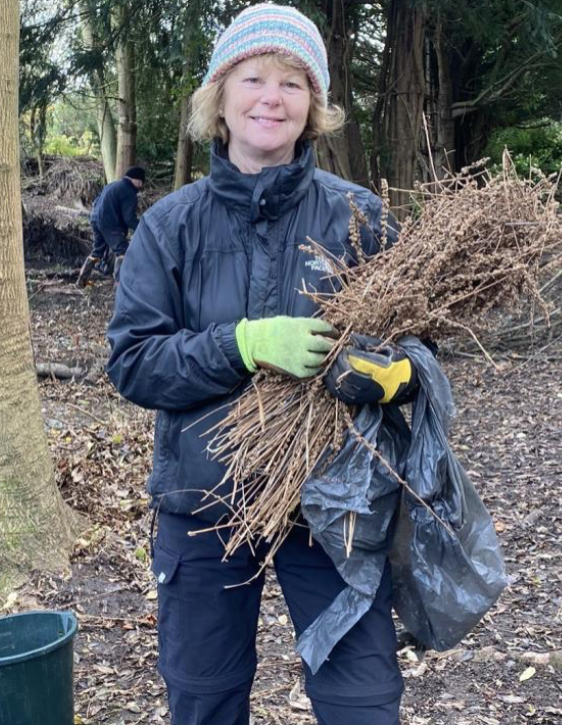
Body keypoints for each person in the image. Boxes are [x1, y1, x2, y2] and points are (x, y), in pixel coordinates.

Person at [105, 4, 417, 724]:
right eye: (252, 77)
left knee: (362, 700)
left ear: (314, 107)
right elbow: (132, 362)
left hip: (332, 497)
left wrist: (394, 374)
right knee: (204, 698)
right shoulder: (168, 225)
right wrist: (239, 343)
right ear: (219, 97)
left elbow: (421, 348)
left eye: (292, 82)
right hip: (204, 499)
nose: (270, 97)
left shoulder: (359, 217)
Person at [76, 165, 146, 286]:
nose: (140, 187)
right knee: (123, 251)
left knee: (97, 251)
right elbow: (129, 218)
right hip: (109, 223)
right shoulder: (129, 191)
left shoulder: (112, 185)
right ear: (137, 180)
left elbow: (96, 202)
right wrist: (143, 228)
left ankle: (81, 281)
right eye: (141, 183)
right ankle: (119, 286)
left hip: (95, 219)